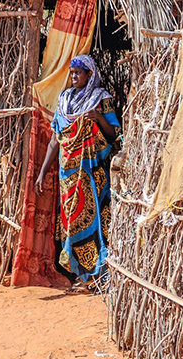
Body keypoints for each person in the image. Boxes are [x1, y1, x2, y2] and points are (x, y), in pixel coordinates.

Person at [35, 55, 120, 284]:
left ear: (90, 75)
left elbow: (114, 135)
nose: (74, 77)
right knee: (71, 223)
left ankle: (98, 276)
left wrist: (99, 118)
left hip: (92, 173)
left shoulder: (101, 100)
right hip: (68, 176)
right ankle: (80, 277)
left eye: (78, 73)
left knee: (96, 224)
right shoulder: (64, 101)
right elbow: (56, 139)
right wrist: (42, 172)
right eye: (72, 73)